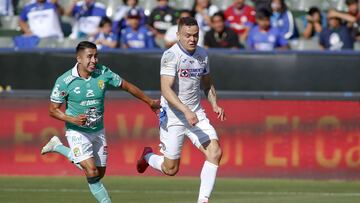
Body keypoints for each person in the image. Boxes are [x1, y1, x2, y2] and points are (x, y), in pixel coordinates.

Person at [41, 41, 160, 203]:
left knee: (99, 173)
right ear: (79, 59)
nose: (94, 60)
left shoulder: (103, 72)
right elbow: (52, 110)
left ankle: (57, 147)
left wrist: (149, 101)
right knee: (91, 171)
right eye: (89, 56)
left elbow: (126, 86)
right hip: (76, 131)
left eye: (96, 56)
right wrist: (72, 119)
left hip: (98, 130)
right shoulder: (65, 81)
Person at [136, 17, 225, 203]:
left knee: (215, 152)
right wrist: (185, 111)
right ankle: (148, 155)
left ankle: (203, 200)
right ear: (178, 35)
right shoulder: (171, 55)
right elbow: (166, 89)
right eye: (187, 36)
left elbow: (208, 84)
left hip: (196, 113)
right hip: (173, 116)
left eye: (195, 35)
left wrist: (214, 104)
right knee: (171, 169)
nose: (192, 39)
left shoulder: (202, 54)